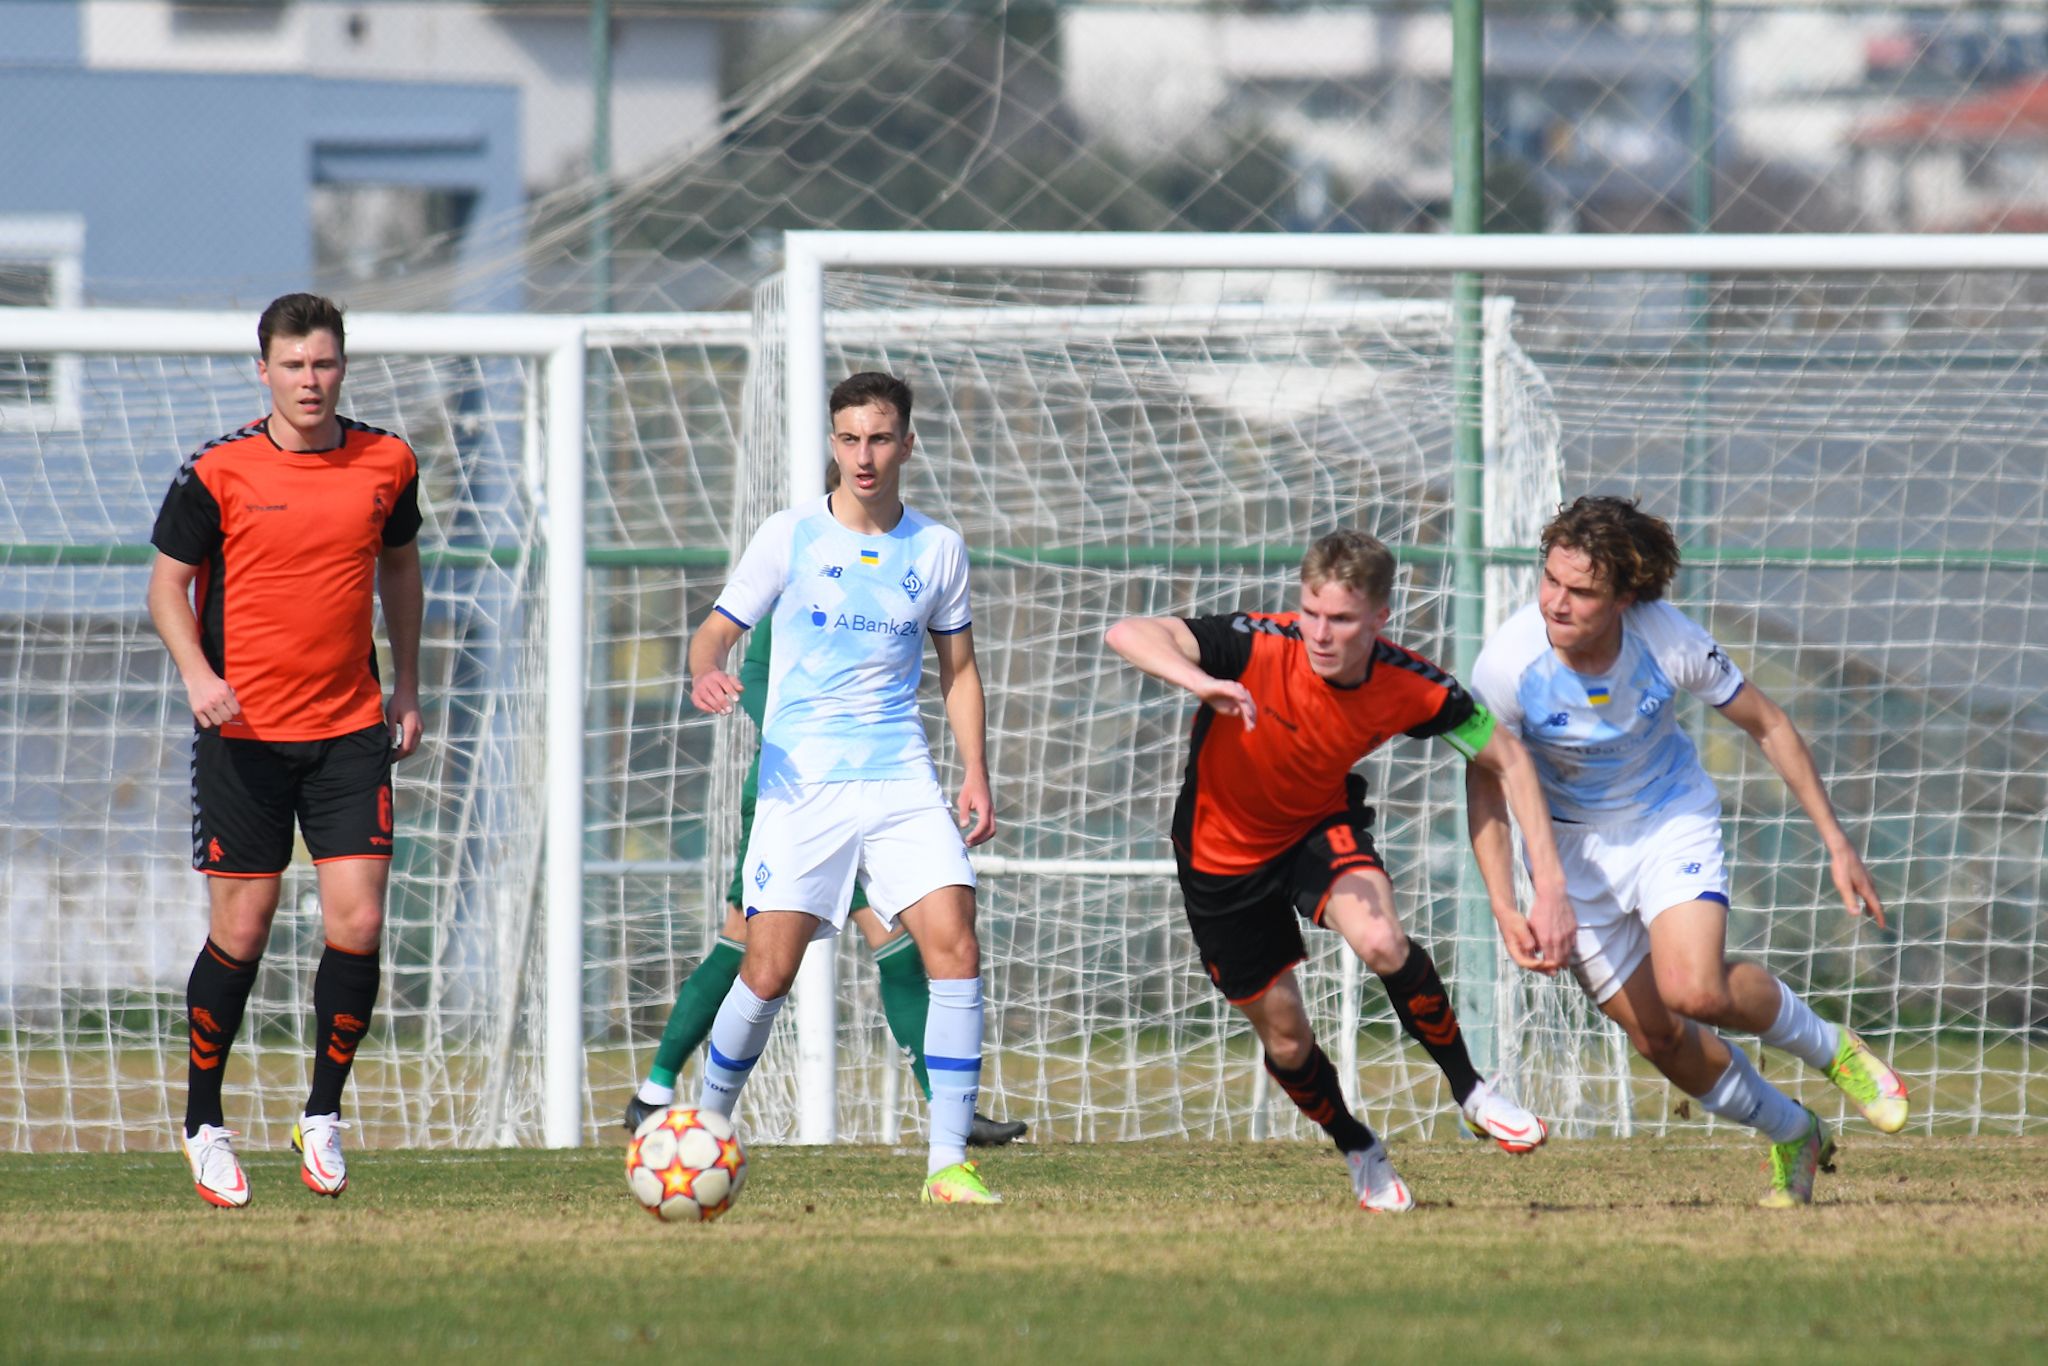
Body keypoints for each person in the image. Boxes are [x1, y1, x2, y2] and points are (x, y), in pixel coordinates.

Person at [1106, 530, 1573, 1213]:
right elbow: (1128, 632)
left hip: (1315, 830)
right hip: (1219, 858)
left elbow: (1507, 759)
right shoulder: (1256, 643)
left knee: (1382, 941)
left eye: (1343, 619)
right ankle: (1357, 1145)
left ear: (1380, 618)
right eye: (1312, 613)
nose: (1321, 634)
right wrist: (1200, 679)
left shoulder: (1409, 685)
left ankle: (1472, 1091)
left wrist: (1545, 889)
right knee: (1289, 1040)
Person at [1465, 494, 1909, 1209]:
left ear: (1626, 598)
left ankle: (1834, 1048)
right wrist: (1503, 903)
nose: (1557, 601)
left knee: (1694, 988)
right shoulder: (1508, 665)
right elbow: (1484, 786)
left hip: (1670, 821)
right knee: (1660, 1039)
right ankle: (1794, 1132)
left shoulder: (1665, 637)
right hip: (1574, 855)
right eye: (1550, 579)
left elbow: (1767, 722)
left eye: (1581, 590)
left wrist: (1836, 841)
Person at [684, 371, 1003, 1204]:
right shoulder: (789, 535)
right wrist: (706, 671)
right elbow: (715, 632)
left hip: (900, 776)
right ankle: (703, 1131)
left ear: (907, 443)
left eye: (881, 438)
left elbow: (958, 672)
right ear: (834, 443)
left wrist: (974, 771)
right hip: (803, 785)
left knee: (955, 942)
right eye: (850, 439)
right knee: (768, 970)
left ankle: (947, 1165)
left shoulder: (937, 549)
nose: (865, 456)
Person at [147, 292, 424, 1207]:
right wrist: (196, 675)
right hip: (244, 738)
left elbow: (399, 567)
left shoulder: (387, 460)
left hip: (350, 729)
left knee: (360, 924)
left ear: (344, 367)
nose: (312, 381)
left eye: (326, 364)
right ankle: (204, 1125)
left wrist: (408, 690)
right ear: (261, 370)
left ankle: (322, 1115)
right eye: (294, 365)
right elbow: (167, 588)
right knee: (242, 931)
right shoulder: (215, 472)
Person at [621, 605, 1027, 1148]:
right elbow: (756, 674)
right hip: (796, 798)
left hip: (872, 794)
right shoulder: (800, 578)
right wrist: (813, 733)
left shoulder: (889, 577)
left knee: (901, 944)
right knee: (750, 954)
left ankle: (950, 1111)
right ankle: (657, 1091)